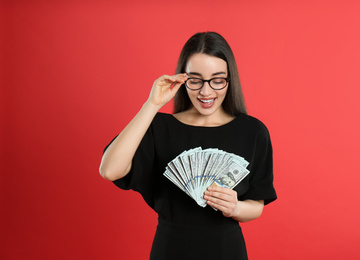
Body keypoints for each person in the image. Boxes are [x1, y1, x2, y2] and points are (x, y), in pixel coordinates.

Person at [99, 32, 277, 260]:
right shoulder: (159, 127)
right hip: (170, 249)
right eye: (195, 80)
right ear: (183, 79)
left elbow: (257, 204)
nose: (206, 91)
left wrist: (235, 209)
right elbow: (109, 170)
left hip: (227, 251)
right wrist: (152, 105)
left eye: (217, 80)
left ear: (229, 80)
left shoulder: (253, 131)